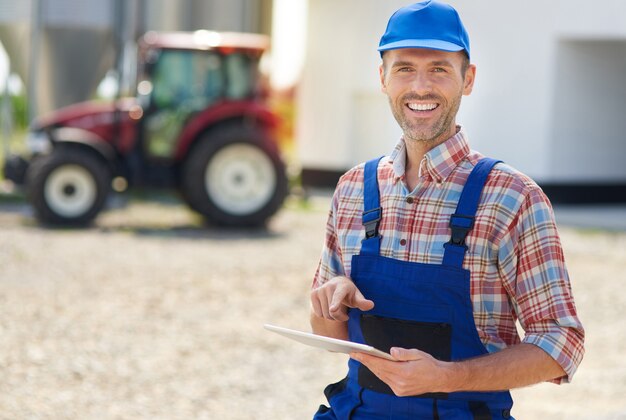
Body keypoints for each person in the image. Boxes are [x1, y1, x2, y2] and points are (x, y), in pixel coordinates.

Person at [309, 1, 585, 419]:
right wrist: (329, 304)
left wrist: (447, 376)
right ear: (382, 78)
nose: (420, 87)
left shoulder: (511, 197)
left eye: (439, 68)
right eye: (404, 68)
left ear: (467, 79)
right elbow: (330, 335)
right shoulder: (352, 189)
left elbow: (561, 346)